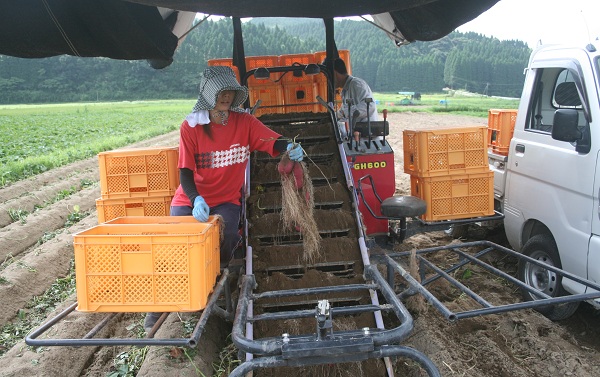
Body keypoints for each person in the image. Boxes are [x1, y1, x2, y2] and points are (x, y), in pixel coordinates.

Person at [144, 66, 303, 334]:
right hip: (191, 198)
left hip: (226, 200)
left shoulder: (244, 123)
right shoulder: (192, 126)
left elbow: (272, 141)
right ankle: (158, 307)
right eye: (221, 91)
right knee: (173, 250)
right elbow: (184, 172)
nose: (226, 96)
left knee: (227, 236)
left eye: (230, 91)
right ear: (208, 95)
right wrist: (195, 200)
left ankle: (213, 279)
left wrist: (290, 146)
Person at [333, 58, 378, 134]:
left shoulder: (356, 84)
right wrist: (334, 116)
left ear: (335, 74)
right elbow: (342, 112)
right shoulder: (345, 89)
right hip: (357, 136)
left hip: (367, 138)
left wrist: (346, 112)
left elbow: (370, 107)